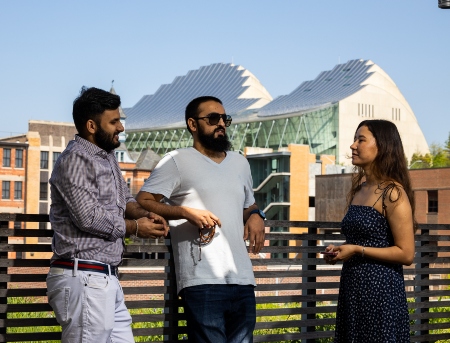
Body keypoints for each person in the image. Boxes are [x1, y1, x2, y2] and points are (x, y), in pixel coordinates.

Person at [136, 96, 266, 343]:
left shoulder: (240, 162)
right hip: (201, 280)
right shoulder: (176, 160)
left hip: (242, 278)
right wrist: (186, 212)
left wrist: (256, 215)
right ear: (193, 124)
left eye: (224, 119)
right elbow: (144, 200)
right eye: (213, 118)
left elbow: (249, 205)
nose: (221, 124)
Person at [46, 87, 169, 343]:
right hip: (83, 277)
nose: (121, 128)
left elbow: (126, 200)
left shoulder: (108, 158)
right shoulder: (76, 160)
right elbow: (88, 217)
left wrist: (147, 215)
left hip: (104, 278)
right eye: (114, 122)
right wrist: (135, 227)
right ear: (91, 125)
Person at [324, 119, 416, 342]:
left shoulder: (393, 193)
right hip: (353, 288)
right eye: (355, 139)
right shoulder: (360, 188)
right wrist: (339, 251)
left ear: (382, 146)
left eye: (361, 139)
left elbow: (406, 254)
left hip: (381, 293)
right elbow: (359, 239)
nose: (353, 145)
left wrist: (357, 250)